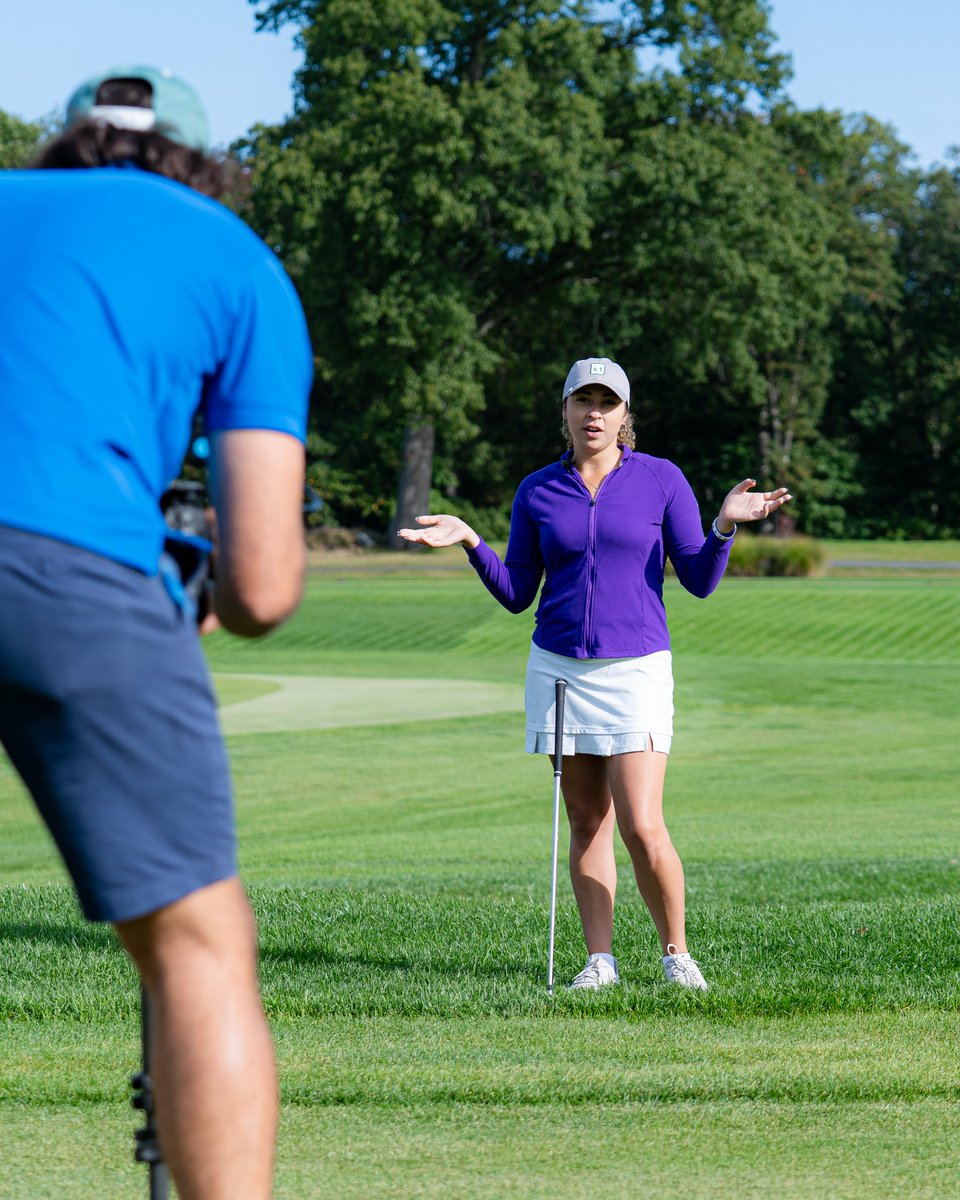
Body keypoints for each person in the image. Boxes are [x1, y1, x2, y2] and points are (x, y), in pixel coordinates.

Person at [0, 67, 312, 1197]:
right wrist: (189, 578)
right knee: (196, 947)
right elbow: (266, 587)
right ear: (200, 162)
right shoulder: (235, 259)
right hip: (71, 574)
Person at [399, 358, 790, 992]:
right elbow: (518, 592)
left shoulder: (660, 480)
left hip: (634, 668)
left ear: (624, 414)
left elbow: (698, 579)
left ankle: (675, 954)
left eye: (607, 402)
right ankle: (599, 961)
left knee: (641, 822)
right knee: (586, 821)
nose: (595, 413)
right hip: (557, 668)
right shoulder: (538, 489)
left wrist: (723, 526)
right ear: (565, 410)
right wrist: (472, 541)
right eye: (584, 400)